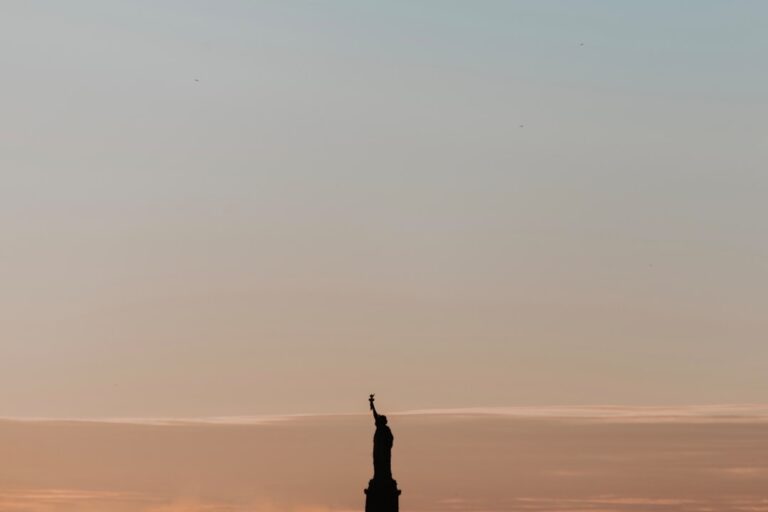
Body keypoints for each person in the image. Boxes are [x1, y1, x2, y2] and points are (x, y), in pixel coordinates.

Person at [369, 395, 393, 480]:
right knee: (377, 463)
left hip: (384, 451)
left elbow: (390, 440)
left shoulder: (386, 430)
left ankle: (384, 477)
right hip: (378, 449)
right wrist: (372, 404)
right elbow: (375, 415)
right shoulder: (380, 428)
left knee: (384, 464)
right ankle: (378, 476)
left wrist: (386, 445)